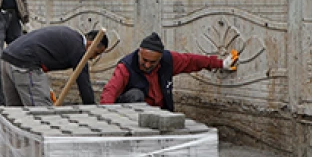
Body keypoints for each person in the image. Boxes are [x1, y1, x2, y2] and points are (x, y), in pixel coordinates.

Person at [99, 32, 237, 110]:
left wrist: (221, 63)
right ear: (139, 53)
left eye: (152, 62)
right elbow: (110, 91)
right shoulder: (126, 67)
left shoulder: (168, 60)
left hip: (160, 111)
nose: (147, 65)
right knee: (135, 95)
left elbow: (192, 61)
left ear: (160, 58)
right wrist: (107, 115)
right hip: (133, 114)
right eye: (144, 60)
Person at [0, 26, 108, 107]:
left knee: (16, 111)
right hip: (24, 64)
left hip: (7, 58)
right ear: (90, 44)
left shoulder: (71, 37)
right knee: (41, 113)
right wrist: (91, 108)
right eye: (96, 53)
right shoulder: (78, 49)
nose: (94, 58)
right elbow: (84, 82)